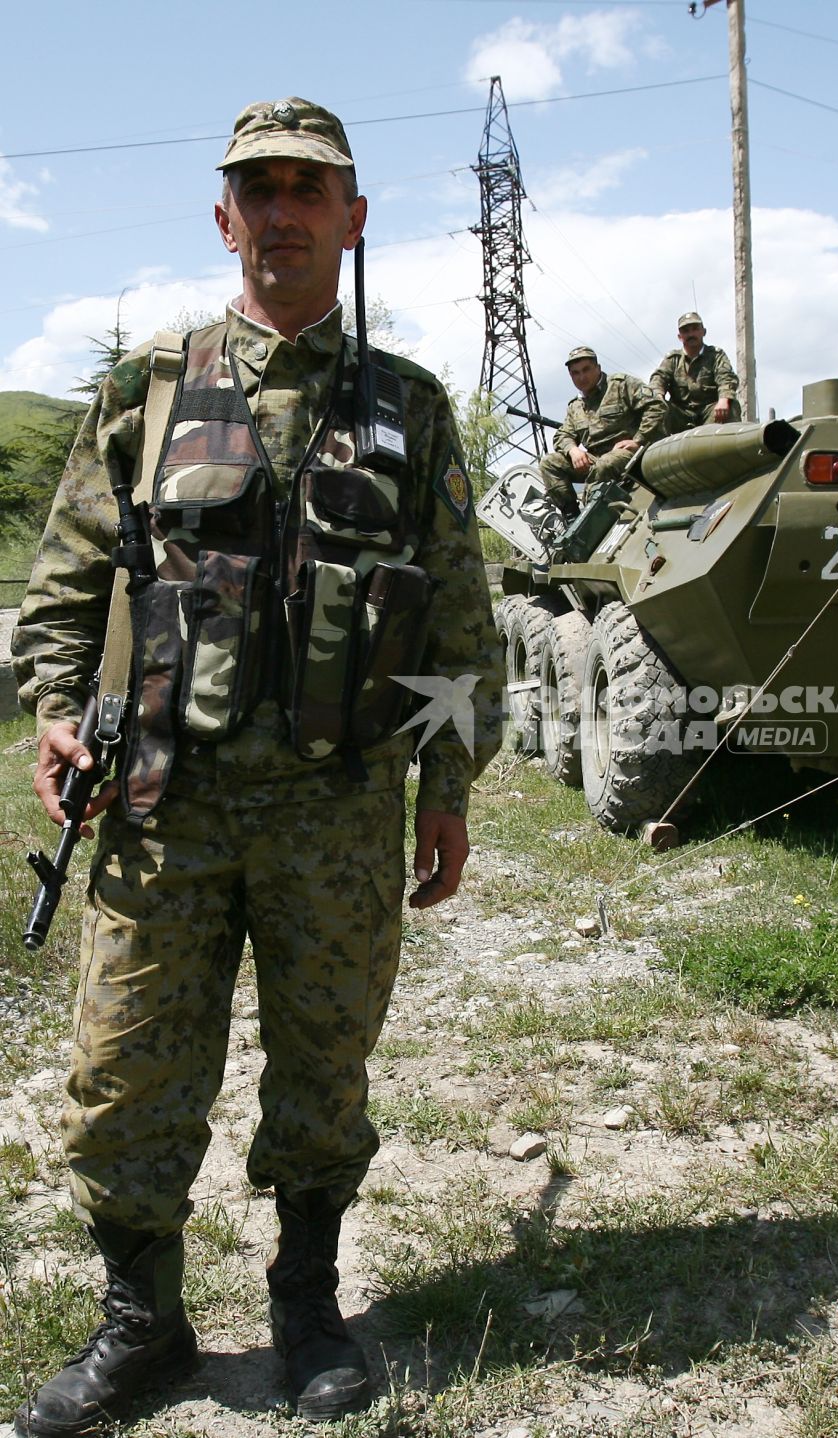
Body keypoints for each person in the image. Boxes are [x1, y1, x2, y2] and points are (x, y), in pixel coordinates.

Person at [10, 97, 503, 1433]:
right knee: (125, 1071)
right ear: (225, 219)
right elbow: (62, 584)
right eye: (257, 191)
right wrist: (61, 710)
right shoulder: (144, 388)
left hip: (337, 814)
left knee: (325, 1065)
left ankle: (305, 1303)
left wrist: (448, 786)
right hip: (161, 804)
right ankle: (142, 1323)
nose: (282, 212)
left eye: (309, 189)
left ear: (352, 218)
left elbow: (460, 617)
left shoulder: (410, 406)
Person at [538, 346, 665, 517]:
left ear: (598, 368)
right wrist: (573, 450)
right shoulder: (575, 406)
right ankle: (572, 516)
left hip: (631, 453)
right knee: (549, 462)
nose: (582, 377)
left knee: (605, 463)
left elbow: (656, 407)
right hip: (596, 460)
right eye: (575, 373)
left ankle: (591, 517)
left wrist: (638, 440)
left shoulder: (621, 385)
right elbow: (563, 435)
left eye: (586, 370)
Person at [648, 312, 741, 433]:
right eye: (686, 331)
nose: (691, 334)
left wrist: (724, 399)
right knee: (657, 408)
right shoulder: (673, 359)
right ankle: (650, 447)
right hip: (681, 415)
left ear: (703, 332)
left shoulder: (715, 355)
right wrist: (658, 396)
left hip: (711, 414)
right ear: (680, 336)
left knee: (731, 404)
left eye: (695, 329)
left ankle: (728, 450)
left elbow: (726, 378)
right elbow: (658, 379)